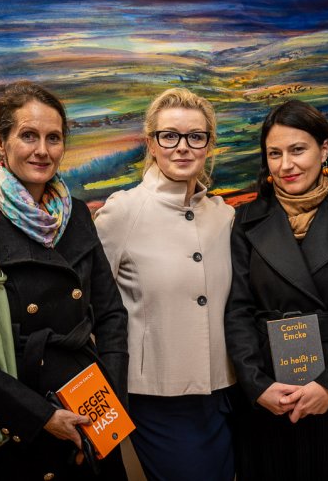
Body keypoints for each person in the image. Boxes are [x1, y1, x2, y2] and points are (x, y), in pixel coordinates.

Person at [0, 81, 129, 481]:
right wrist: (42, 417)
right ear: (0, 143)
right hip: (18, 428)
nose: (42, 150)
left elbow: (111, 316)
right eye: (28, 136)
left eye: (53, 138)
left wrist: (109, 404)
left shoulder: (75, 215)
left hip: (89, 413)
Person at [224, 99, 328, 481]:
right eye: (274, 154)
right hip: (270, 394)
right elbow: (237, 311)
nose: (286, 165)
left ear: (324, 149)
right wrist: (257, 386)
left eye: (297, 150)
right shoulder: (245, 221)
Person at [94, 88, 236, 481]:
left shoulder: (223, 216)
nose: (183, 147)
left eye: (196, 136)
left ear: (209, 144)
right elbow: (90, 303)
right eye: (169, 136)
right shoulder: (123, 211)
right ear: (151, 144)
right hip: (157, 397)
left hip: (225, 391)